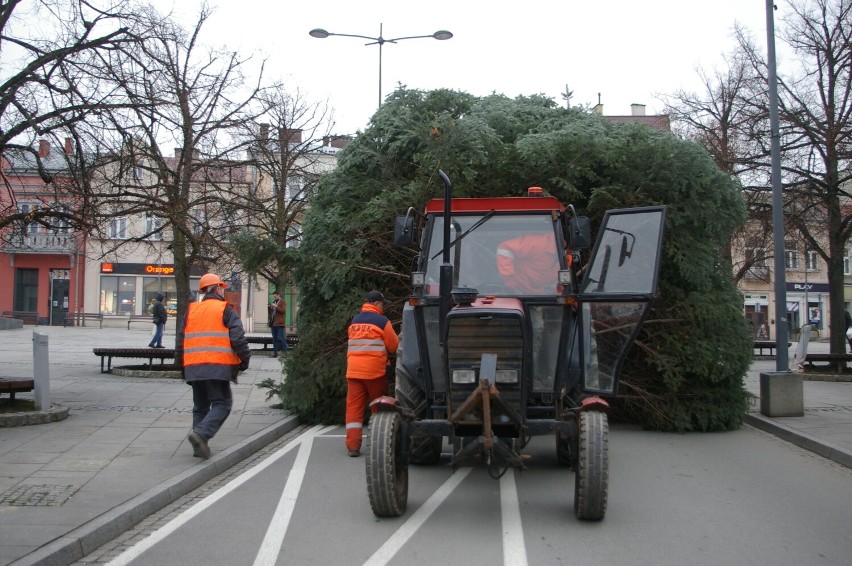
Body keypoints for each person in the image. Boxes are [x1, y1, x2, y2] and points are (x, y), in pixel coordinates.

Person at [177, 273, 251, 460]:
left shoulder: (191, 310)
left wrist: (182, 367)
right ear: (217, 288)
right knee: (223, 403)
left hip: (194, 366)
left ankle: (199, 447)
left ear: (202, 290)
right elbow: (237, 338)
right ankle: (201, 435)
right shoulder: (225, 309)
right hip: (217, 366)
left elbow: (180, 341)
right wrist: (245, 359)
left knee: (200, 407)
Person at [344, 290, 399, 457]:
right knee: (379, 408)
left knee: (353, 409)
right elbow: (394, 346)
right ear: (376, 304)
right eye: (382, 304)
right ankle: (379, 445)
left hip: (353, 371)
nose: (383, 307)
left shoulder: (355, 321)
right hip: (374, 372)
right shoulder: (382, 322)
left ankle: (353, 447)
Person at [496, 232, 560, 294]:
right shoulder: (537, 242)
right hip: (518, 291)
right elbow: (504, 248)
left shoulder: (564, 253)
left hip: (541, 293)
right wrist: (508, 278)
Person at [268, 291, 288, 358]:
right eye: (273, 296)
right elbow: (271, 313)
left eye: (275, 296)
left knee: (282, 338)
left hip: (280, 323)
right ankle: (275, 353)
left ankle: (285, 353)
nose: (274, 297)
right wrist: (269, 307)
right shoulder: (274, 302)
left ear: (278, 295)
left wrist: (276, 306)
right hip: (273, 323)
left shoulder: (283, 302)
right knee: (274, 339)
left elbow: (283, 311)